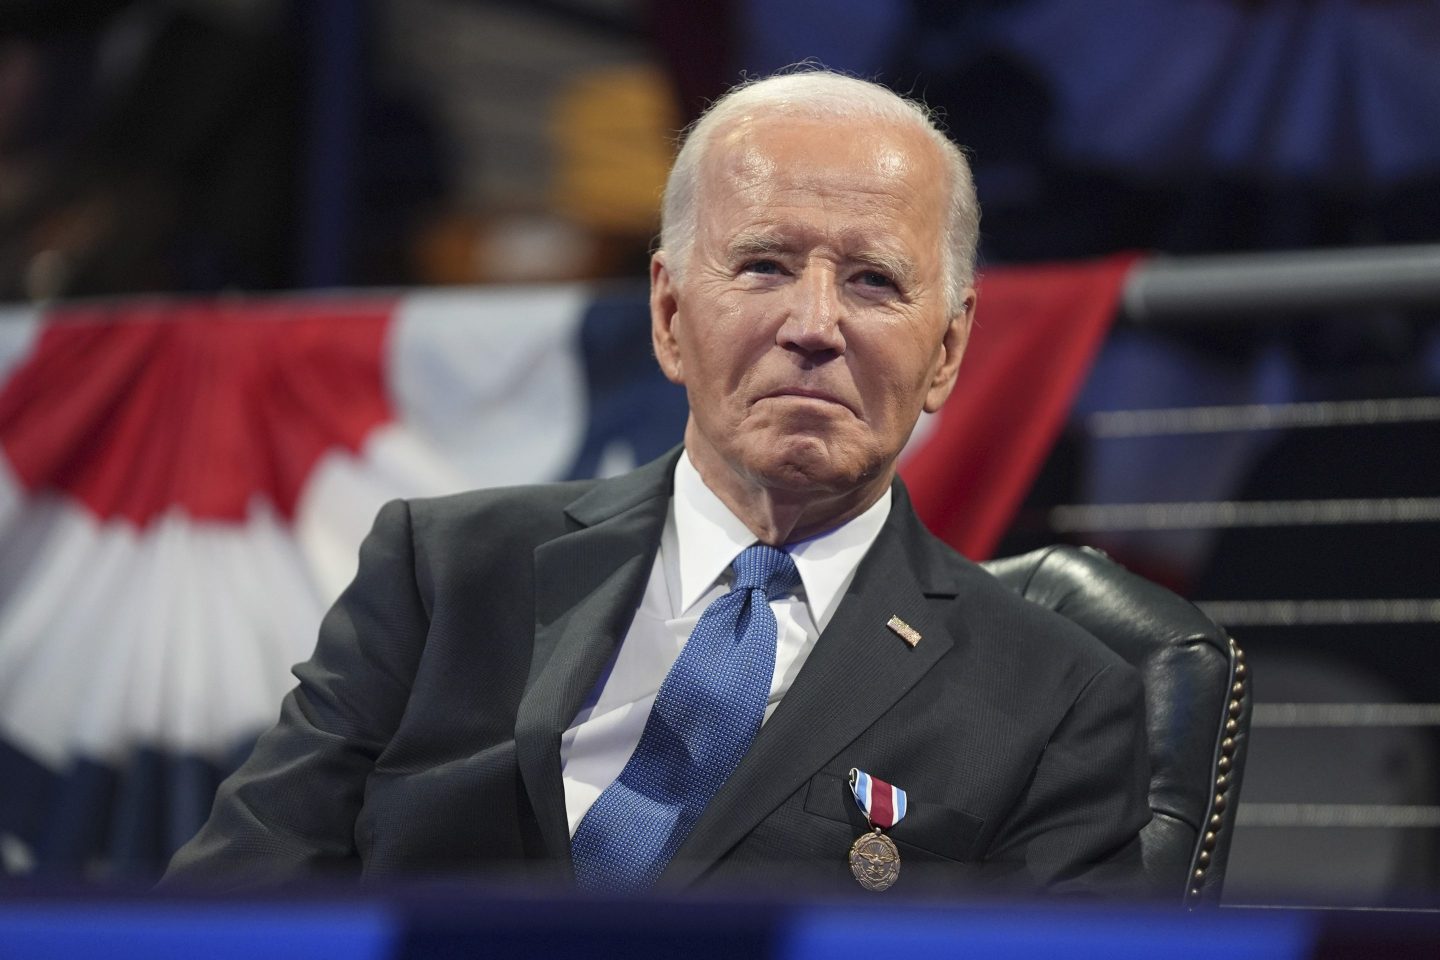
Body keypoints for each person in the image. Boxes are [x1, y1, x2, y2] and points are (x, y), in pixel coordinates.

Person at [164, 69, 1149, 896]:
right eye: (763, 265)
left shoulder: (1059, 700)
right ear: (670, 317)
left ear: (948, 351)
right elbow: (227, 902)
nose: (815, 324)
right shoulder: (442, 574)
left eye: (873, 282)